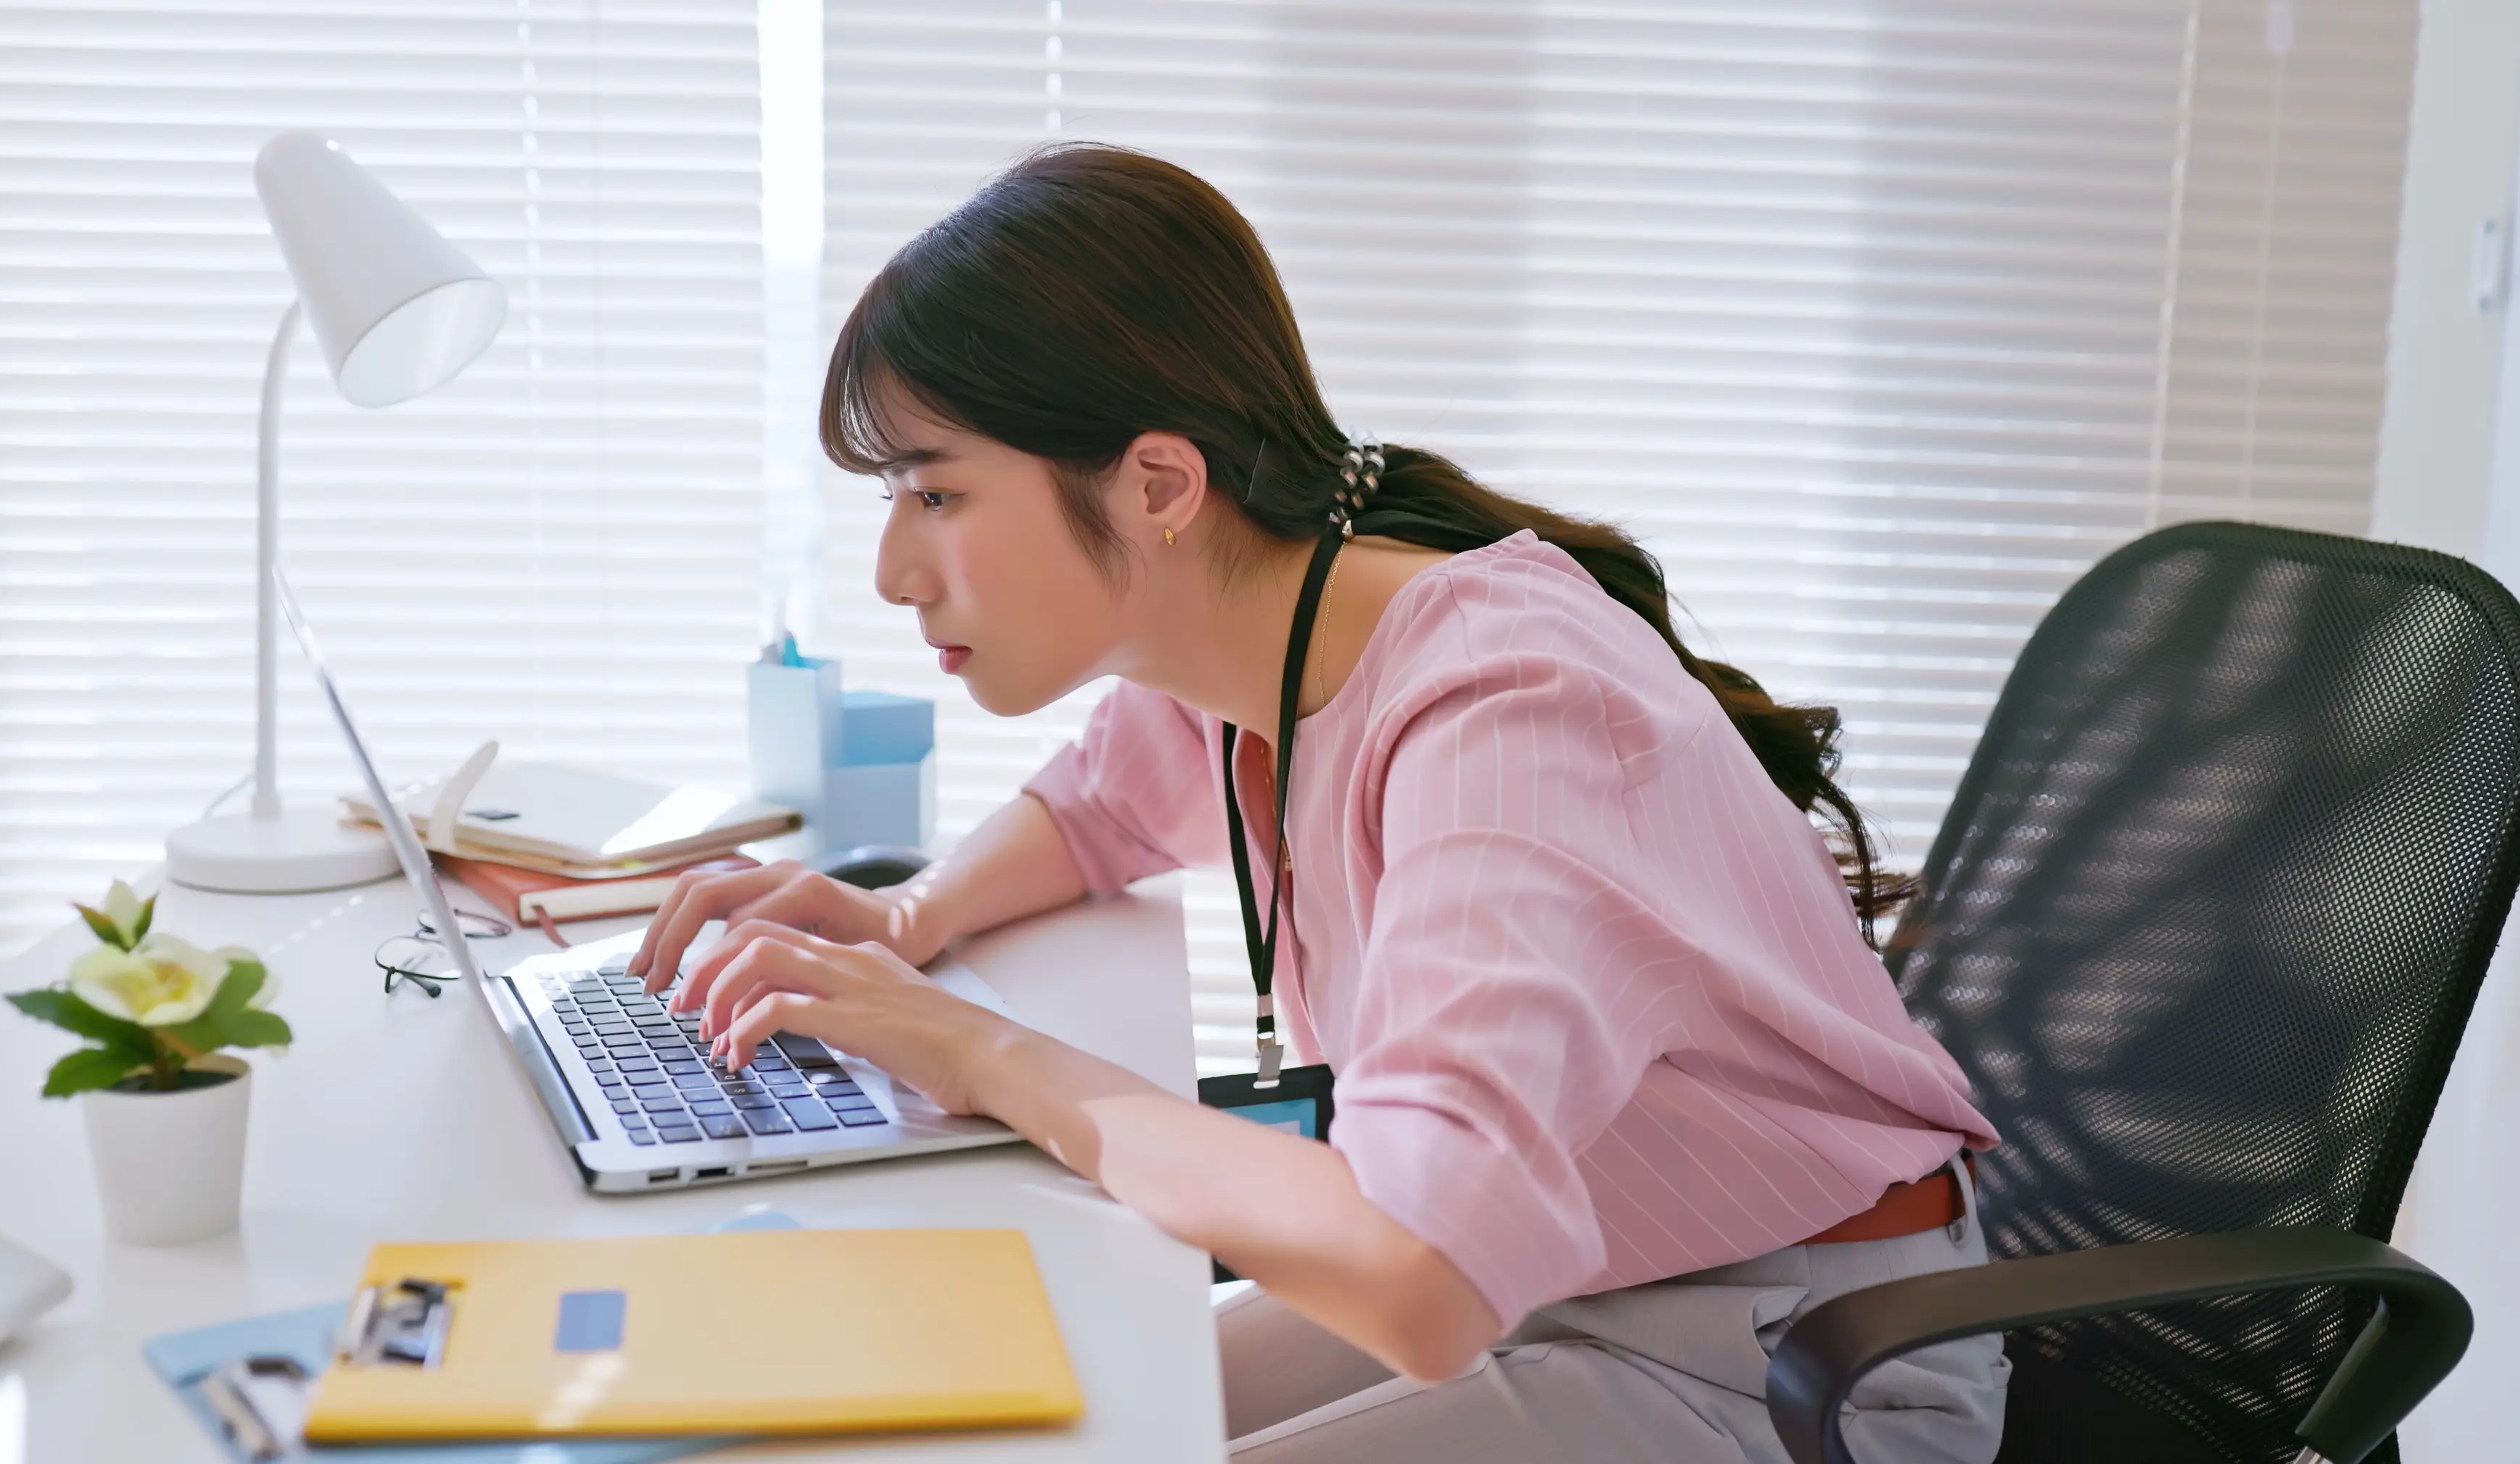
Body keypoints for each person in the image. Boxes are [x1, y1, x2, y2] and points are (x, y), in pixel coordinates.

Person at [631, 143, 2007, 1463]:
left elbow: (1420, 1271)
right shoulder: (1259, 636)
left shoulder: (1504, 715)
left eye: (934, 492)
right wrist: (912, 918)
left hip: (1786, 1356)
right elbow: (1104, 803)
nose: (892, 571)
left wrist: (985, 1057)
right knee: (1032, 1423)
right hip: (1574, 1267)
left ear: (1159, 483)